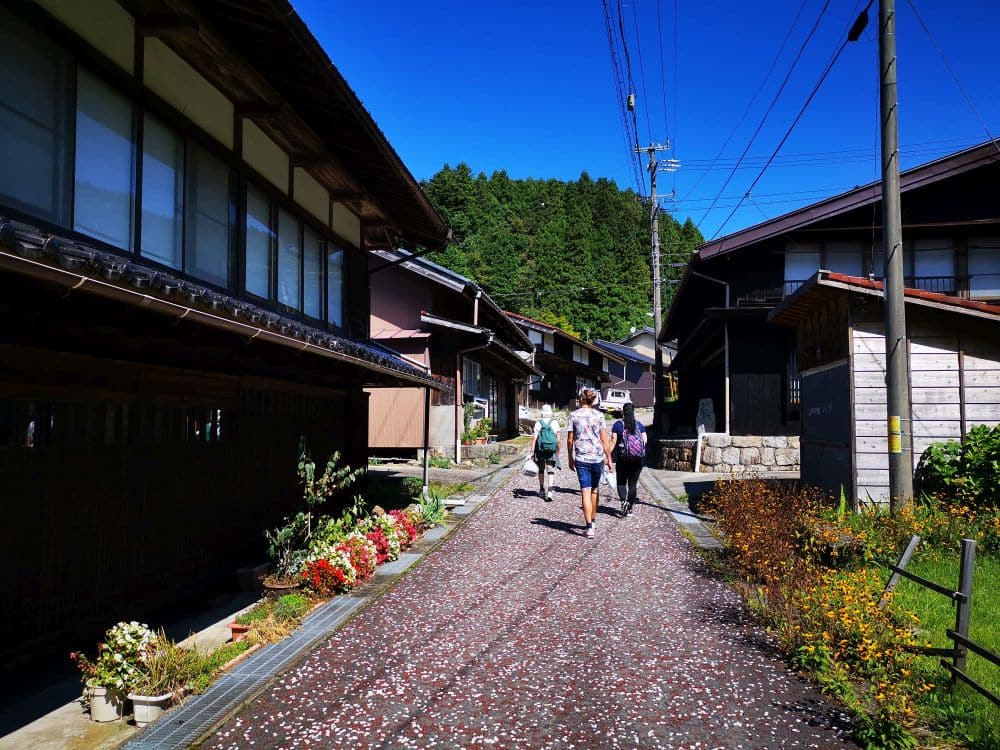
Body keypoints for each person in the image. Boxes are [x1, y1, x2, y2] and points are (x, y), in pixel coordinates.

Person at [567, 387, 612, 538]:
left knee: (584, 491)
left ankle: (589, 527)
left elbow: (569, 439)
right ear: (593, 400)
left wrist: (569, 457)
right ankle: (593, 519)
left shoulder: (573, 415)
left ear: (581, 399)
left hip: (581, 457)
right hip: (597, 457)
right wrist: (609, 459)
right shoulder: (599, 415)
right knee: (595, 489)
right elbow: (605, 439)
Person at [610, 402, 648, 516]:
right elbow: (645, 440)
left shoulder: (618, 425)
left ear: (623, 412)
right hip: (637, 460)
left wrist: (607, 454)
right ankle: (630, 508)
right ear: (633, 411)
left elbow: (613, 441)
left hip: (622, 459)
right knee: (632, 484)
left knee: (621, 482)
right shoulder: (639, 425)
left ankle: (623, 501)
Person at [529, 404, 561, 501]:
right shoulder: (555, 423)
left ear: (542, 412)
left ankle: (542, 489)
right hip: (551, 450)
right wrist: (558, 451)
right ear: (551, 413)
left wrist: (531, 452)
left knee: (541, 470)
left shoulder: (538, 423)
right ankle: (550, 491)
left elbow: (534, 439)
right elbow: (559, 440)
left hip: (540, 450)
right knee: (551, 470)